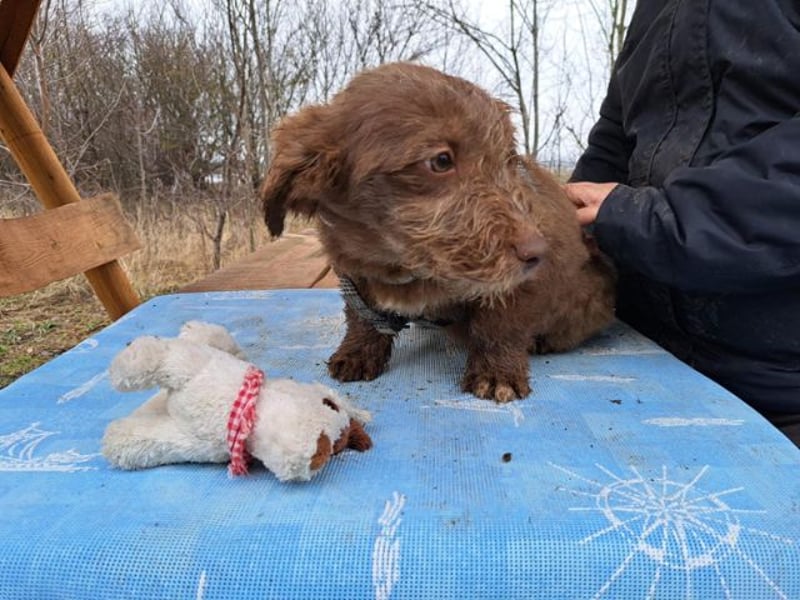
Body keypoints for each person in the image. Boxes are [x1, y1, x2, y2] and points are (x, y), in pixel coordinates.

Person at [564, 0, 800, 443]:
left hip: (782, 391)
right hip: (641, 359)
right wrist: (558, 228)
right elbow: (614, 138)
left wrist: (649, 218)